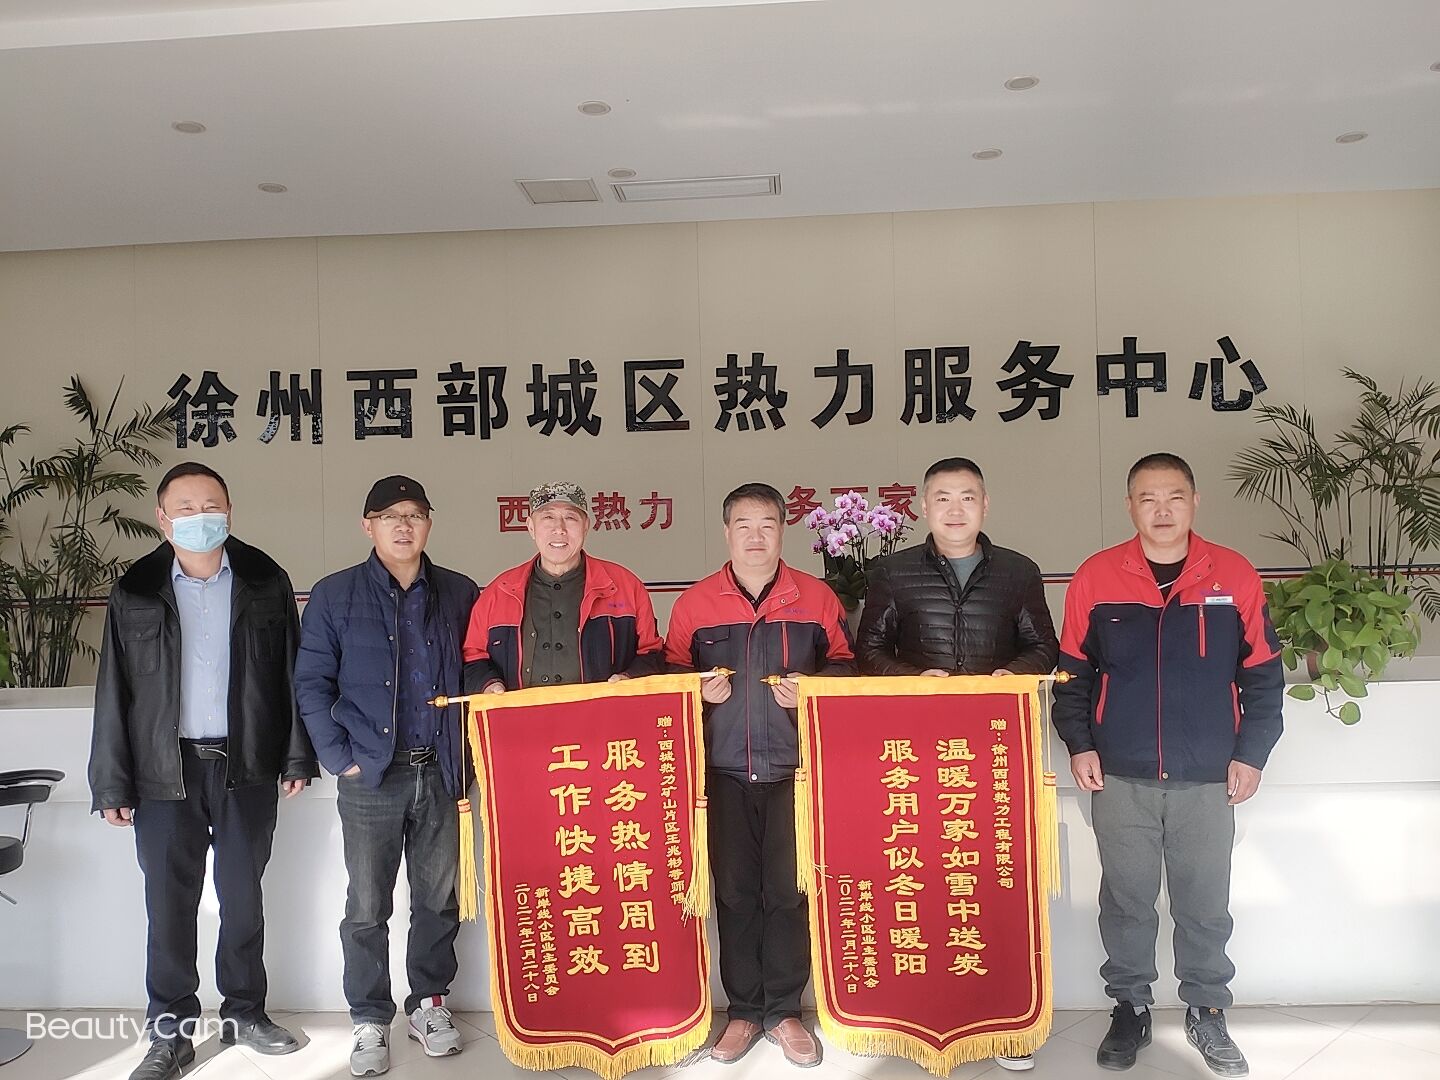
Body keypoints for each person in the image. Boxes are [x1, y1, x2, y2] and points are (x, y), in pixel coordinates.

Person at [1051, 453, 1283, 1078]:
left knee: (1203, 901)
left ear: (1194, 502)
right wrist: (1080, 744)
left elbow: (1263, 677)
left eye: (1174, 496)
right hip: (1120, 772)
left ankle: (1207, 1009)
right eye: (1148, 498)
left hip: (1207, 774)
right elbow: (1071, 675)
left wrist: (1251, 754)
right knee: (1126, 901)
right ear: (1130, 505)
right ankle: (1130, 1007)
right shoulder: (1097, 576)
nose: (1162, 510)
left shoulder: (1233, 574)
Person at [89, 462, 315, 1080]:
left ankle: (244, 1012)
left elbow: (291, 674)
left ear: (229, 511)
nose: (199, 517)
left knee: (242, 898)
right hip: (164, 771)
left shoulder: (265, 581)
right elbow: (113, 689)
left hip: (247, 763)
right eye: (184, 508)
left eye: (210, 505)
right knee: (169, 905)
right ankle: (170, 1032)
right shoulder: (135, 590)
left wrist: (297, 755)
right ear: (163, 519)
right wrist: (111, 781)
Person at [856, 455, 1058, 1072]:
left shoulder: (1018, 572)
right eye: (942, 498)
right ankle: (926, 1009)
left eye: (967, 497)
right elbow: (869, 649)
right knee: (924, 879)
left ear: (985, 505)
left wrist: (1006, 677)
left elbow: (1043, 647)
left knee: (999, 877)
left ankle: (1008, 1021)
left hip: (996, 753)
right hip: (917, 753)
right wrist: (912, 679)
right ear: (923, 507)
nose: (955, 509)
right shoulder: (893, 571)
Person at [664, 483, 855, 1069]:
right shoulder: (695, 604)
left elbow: (847, 668)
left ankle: (786, 1012)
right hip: (721, 774)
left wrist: (813, 689)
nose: (755, 537)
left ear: (782, 531)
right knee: (735, 894)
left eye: (766, 525)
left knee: (790, 894)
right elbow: (666, 681)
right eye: (743, 526)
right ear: (726, 532)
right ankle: (744, 1011)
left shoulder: (816, 598)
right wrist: (696, 692)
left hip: (795, 774)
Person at [294, 476, 479, 1078]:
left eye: (415, 514)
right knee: (367, 903)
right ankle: (370, 1016)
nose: (404, 525)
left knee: (438, 898)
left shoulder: (459, 592)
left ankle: (429, 1003)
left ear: (429, 523)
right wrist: (338, 756)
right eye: (390, 515)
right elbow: (311, 683)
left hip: (444, 768)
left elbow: (479, 669)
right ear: (367, 526)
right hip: (372, 773)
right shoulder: (334, 595)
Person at [462, 481, 664, 693]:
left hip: (602, 712)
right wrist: (489, 684)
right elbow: (473, 657)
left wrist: (629, 679)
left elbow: (653, 653)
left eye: (570, 518)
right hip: (523, 714)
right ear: (531, 527)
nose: (559, 529)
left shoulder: (625, 586)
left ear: (586, 526)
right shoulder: (498, 593)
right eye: (548, 517)